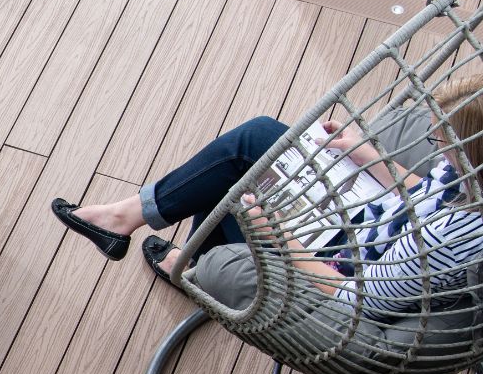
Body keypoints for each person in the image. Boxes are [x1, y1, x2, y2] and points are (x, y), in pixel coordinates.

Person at [51, 77, 483, 319]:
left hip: (334, 260)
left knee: (242, 175)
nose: (436, 144)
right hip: (362, 217)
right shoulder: (469, 175)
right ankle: (143, 230)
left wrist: (276, 236)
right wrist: (368, 154)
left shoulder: (446, 240)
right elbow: (427, 192)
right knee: (259, 139)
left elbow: (356, 298)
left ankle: (149, 238)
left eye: (443, 141)